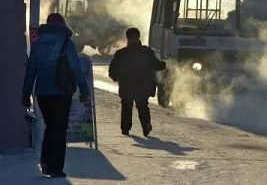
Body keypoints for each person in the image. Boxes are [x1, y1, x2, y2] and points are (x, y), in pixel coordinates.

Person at [22, 13, 91, 178]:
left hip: (43, 95)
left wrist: (25, 94)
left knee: (51, 128)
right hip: (62, 94)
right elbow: (75, 70)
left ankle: (46, 162)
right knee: (58, 131)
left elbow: (31, 71)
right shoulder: (68, 44)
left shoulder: (38, 45)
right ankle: (56, 167)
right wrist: (84, 89)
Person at [108, 28, 166, 137]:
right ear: (138, 38)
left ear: (127, 38)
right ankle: (146, 126)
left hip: (126, 86)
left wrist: (116, 77)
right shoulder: (147, 52)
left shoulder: (121, 53)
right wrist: (164, 64)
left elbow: (112, 71)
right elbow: (156, 65)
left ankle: (125, 129)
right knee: (142, 106)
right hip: (143, 86)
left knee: (126, 107)